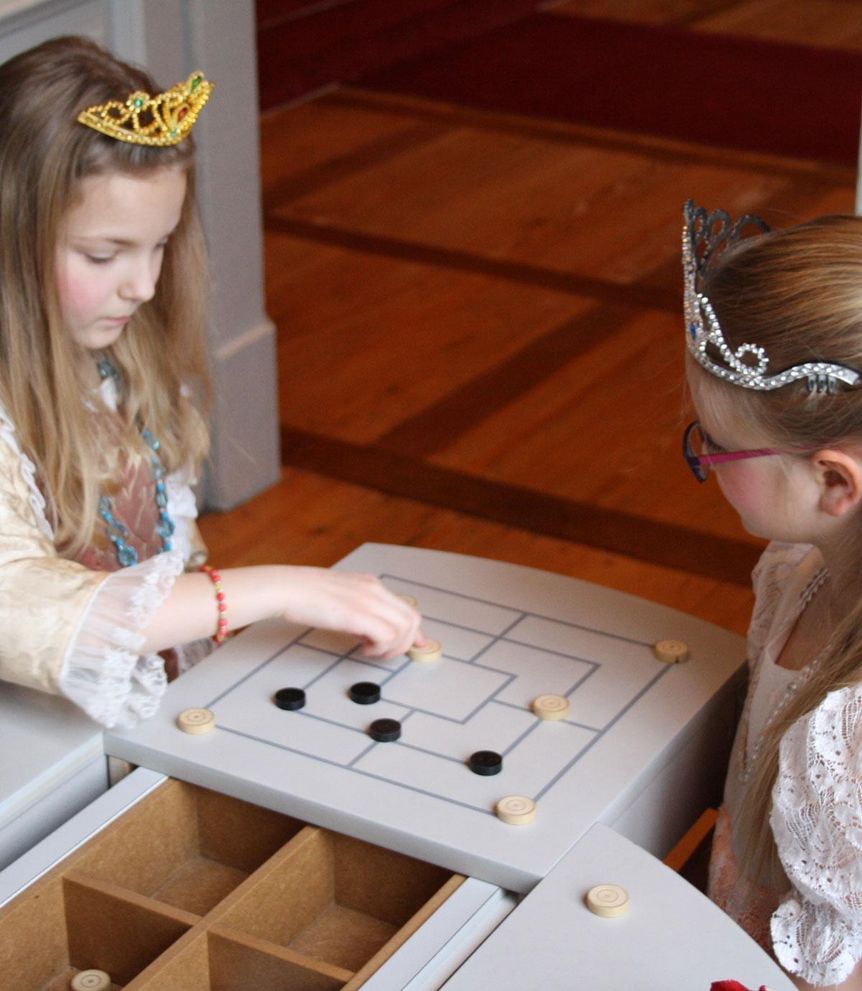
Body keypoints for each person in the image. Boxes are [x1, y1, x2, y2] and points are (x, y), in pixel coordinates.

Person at [0, 36, 423, 729]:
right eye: (104, 255)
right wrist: (281, 588)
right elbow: (18, 603)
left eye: (161, 244)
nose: (144, 285)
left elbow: (170, 548)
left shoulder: (116, 357)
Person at [681, 199, 862, 989]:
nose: (705, 464)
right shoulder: (796, 568)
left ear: (833, 482)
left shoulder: (850, 737)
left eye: (718, 447)